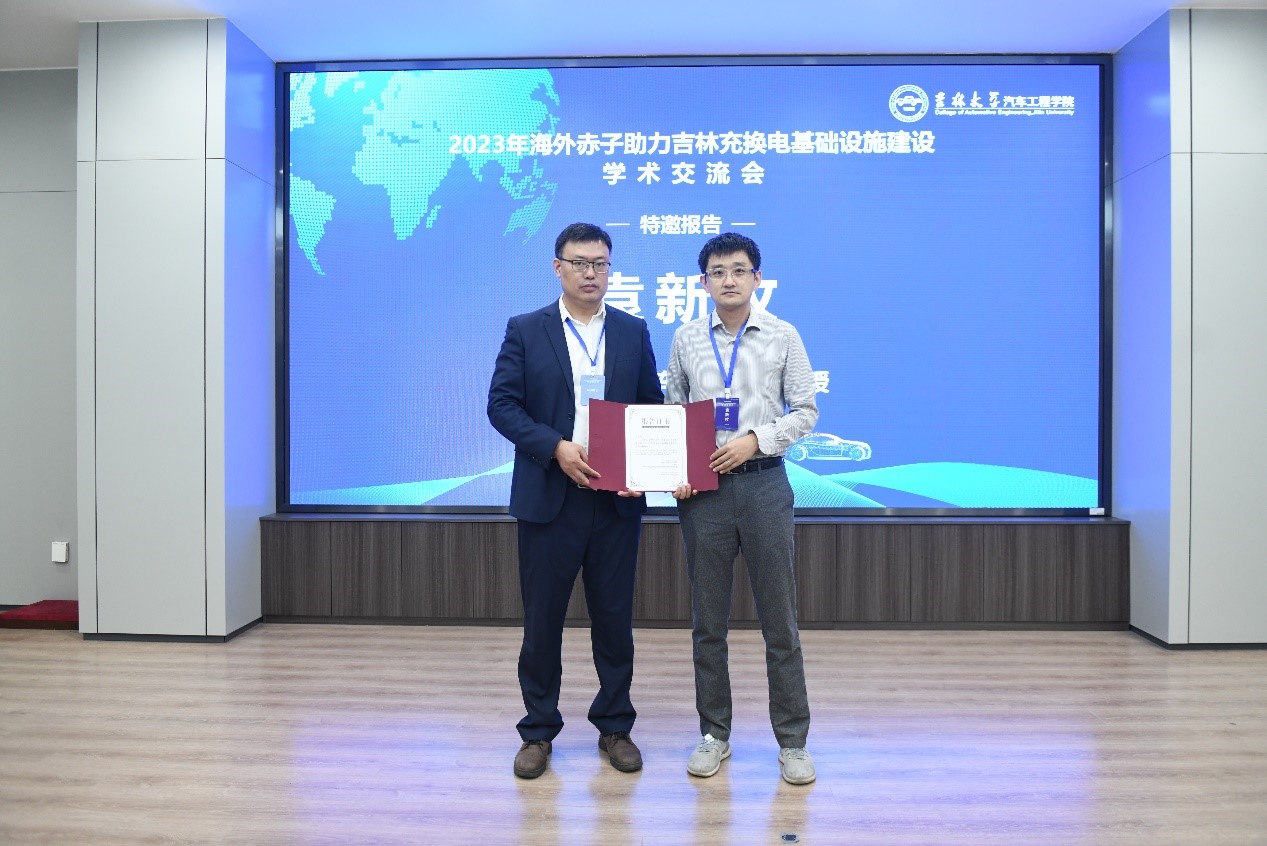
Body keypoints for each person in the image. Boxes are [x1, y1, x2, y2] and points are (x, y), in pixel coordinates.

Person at [488, 222, 664, 779]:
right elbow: (502, 406)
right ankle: (538, 730)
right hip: (550, 498)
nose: (591, 273)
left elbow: (650, 407)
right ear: (558, 267)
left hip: (615, 501)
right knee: (542, 621)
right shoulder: (526, 329)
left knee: (614, 619)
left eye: (601, 264)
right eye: (580, 262)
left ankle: (615, 725)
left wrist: (645, 467)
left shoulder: (633, 330)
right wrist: (555, 447)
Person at [667, 232, 819, 785]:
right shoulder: (686, 338)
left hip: (763, 486)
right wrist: (676, 469)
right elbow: (674, 411)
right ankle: (714, 734)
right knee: (708, 622)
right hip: (705, 492)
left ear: (757, 278)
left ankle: (793, 742)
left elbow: (805, 411)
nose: (728, 280)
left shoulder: (783, 335)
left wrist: (755, 440)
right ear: (703, 282)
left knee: (779, 620)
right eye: (717, 271)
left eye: (738, 270)